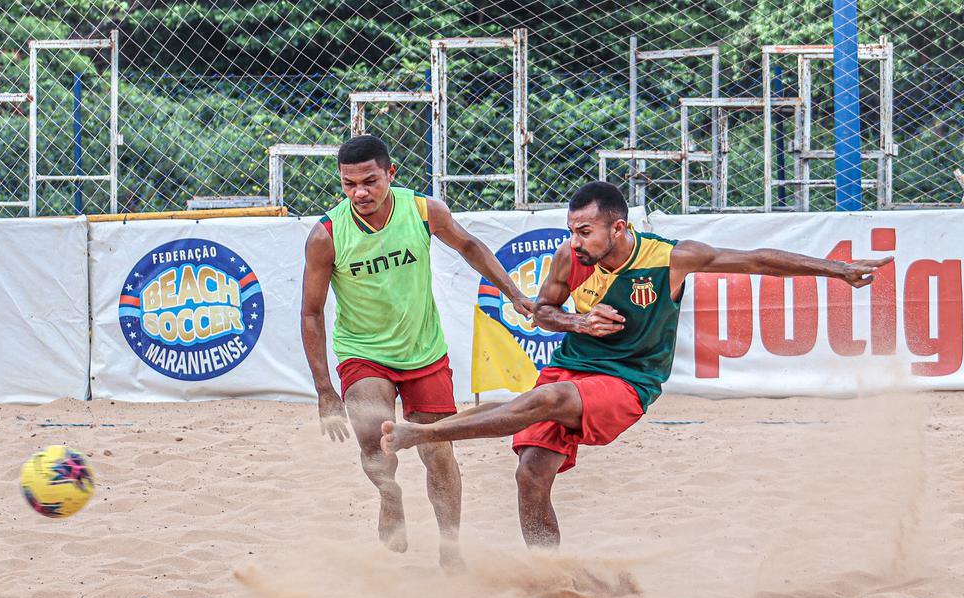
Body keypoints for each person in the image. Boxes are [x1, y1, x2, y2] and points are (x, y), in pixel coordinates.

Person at [381, 181, 893, 549]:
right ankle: (548, 576)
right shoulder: (570, 258)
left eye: (585, 231)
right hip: (573, 365)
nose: (575, 241)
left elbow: (759, 260)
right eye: (572, 231)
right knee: (530, 474)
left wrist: (839, 270)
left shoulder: (672, 258)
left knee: (546, 400)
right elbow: (543, 312)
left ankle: (426, 434)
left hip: (629, 380)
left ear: (619, 227)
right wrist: (579, 323)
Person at [301, 134, 533, 568]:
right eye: (349, 184)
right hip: (363, 352)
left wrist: (515, 294)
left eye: (369, 181)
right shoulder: (326, 235)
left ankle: (450, 549)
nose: (359, 193)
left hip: (423, 352)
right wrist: (324, 390)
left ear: (391, 173)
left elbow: (469, 246)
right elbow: (311, 313)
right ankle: (389, 495)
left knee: (438, 451)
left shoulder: (424, 210)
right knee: (374, 437)